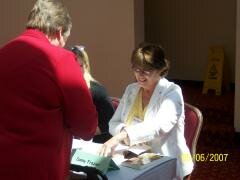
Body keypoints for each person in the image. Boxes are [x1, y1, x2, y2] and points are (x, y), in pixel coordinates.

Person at [0, 1, 98, 180]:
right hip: (43, 168)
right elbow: (86, 126)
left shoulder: (3, 54)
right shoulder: (61, 59)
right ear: (60, 32)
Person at [99, 43, 194, 179]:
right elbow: (113, 123)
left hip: (164, 160)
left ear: (160, 69)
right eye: (136, 69)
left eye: (146, 70)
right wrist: (124, 134)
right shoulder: (131, 89)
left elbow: (158, 127)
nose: (140, 75)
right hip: (133, 156)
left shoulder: (172, 92)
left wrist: (122, 136)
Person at [71, 45, 115, 143]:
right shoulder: (67, 89)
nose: (77, 69)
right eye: (73, 65)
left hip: (96, 145)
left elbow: (109, 124)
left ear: (86, 66)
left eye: (80, 66)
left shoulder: (98, 91)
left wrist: (79, 133)